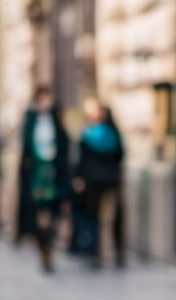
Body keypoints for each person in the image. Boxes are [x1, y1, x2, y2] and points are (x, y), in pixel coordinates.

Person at [19, 85, 70, 272]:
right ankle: (44, 251)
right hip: (38, 177)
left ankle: (49, 247)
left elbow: (64, 149)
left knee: (53, 216)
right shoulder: (31, 120)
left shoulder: (56, 121)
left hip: (55, 178)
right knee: (41, 215)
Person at [76, 97, 124, 268]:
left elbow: (81, 159)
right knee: (106, 218)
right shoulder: (113, 133)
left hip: (97, 181)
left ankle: (100, 252)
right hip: (107, 180)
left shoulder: (87, 134)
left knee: (99, 218)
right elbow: (120, 155)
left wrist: (80, 177)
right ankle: (111, 252)